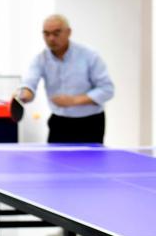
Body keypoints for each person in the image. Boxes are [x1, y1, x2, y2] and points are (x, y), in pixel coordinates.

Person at [17, 14, 114, 144]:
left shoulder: (89, 55)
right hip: (59, 122)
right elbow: (30, 82)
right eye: (46, 34)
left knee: (90, 158)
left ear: (68, 32)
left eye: (56, 33)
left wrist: (74, 100)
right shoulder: (40, 59)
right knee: (54, 158)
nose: (51, 38)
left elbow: (107, 90)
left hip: (91, 123)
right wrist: (24, 94)